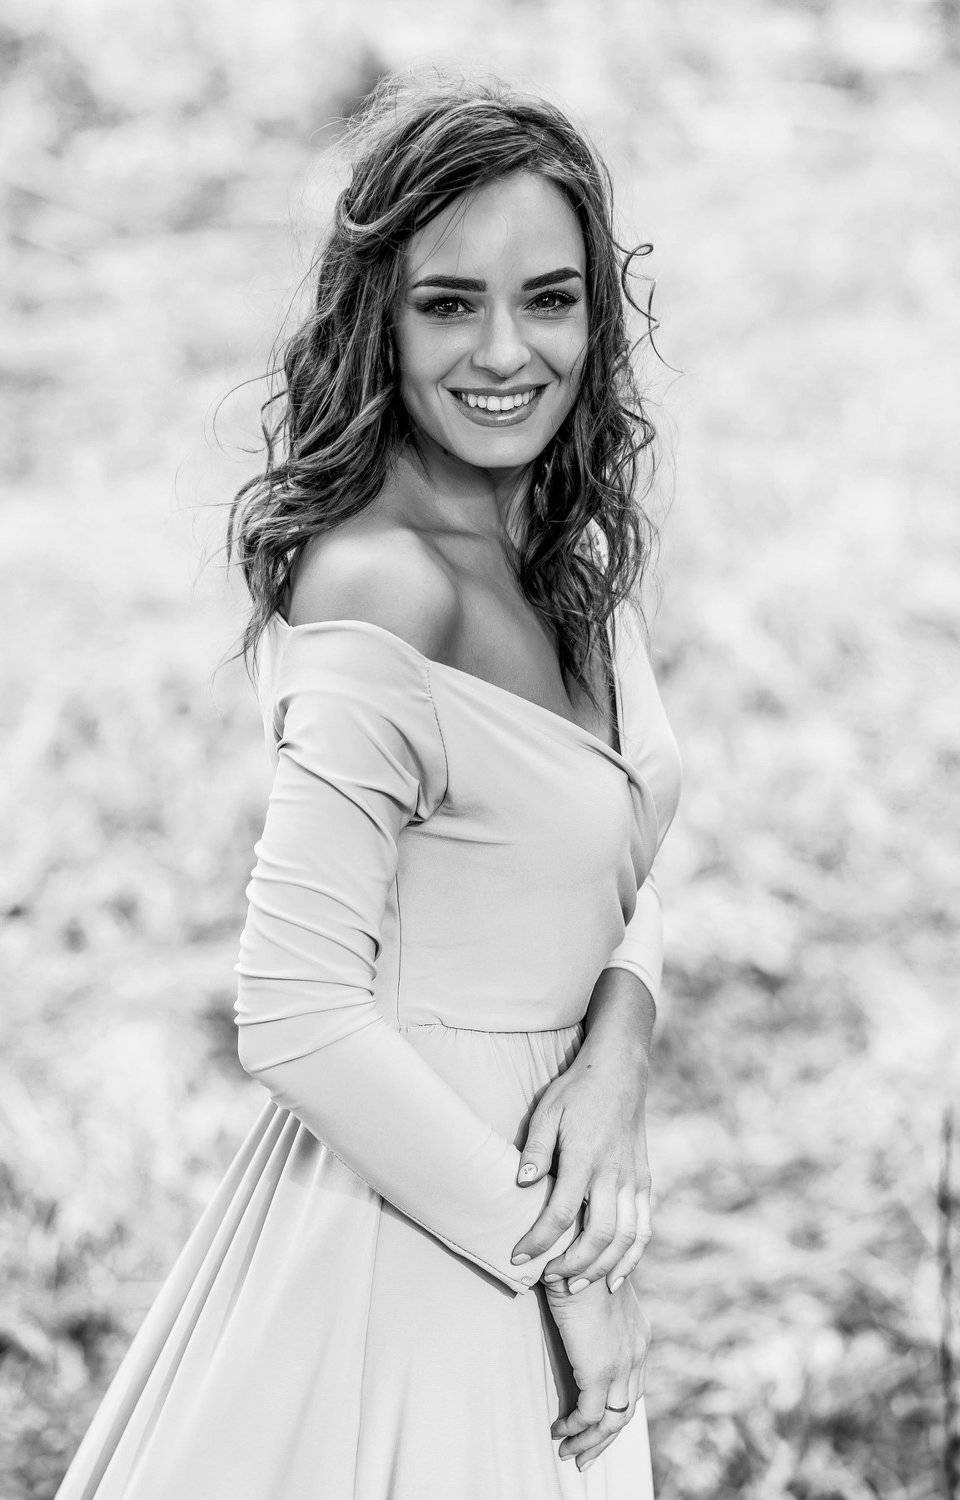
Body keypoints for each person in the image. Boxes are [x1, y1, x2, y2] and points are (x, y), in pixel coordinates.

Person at [54, 74, 682, 1499]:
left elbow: (631, 853)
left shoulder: (567, 564)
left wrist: (619, 1049)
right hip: (415, 1242)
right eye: (449, 304)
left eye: (549, 298)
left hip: (548, 1197)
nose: (507, 352)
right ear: (377, 319)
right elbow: (292, 1010)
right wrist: (555, 1266)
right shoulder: (381, 589)